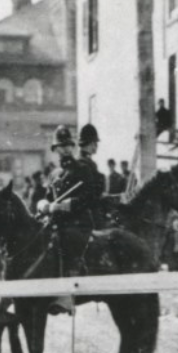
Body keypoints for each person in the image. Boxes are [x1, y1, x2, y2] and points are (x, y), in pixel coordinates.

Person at [37, 124, 105, 314]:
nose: (65, 150)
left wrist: (63, 205)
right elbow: (47, 196)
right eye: (61, 146)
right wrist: (42, 205)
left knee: (65, 240)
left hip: (78, 222)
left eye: (68, 146)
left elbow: (90, 198)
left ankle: (66, 295)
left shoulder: (82, 169)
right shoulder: (55, 174)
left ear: (73, 147)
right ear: (55, 149)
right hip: (56, 223)